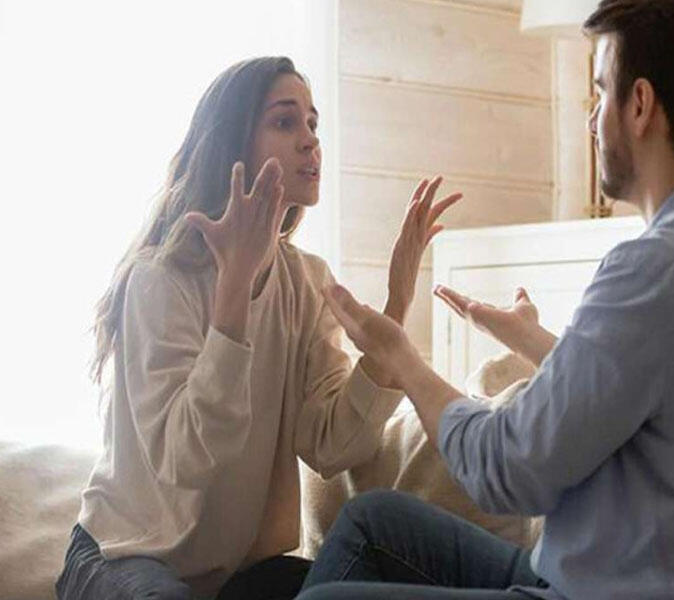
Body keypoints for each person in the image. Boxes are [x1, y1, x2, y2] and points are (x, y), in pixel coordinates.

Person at [297, 1, 674, 599]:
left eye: (600, 92)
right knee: (372, 522)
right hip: (662, 574)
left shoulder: (654, 270)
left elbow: (504, 470)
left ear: (639, 105)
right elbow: (669, 394)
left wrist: (402, 359)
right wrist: (538, 344)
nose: (592, 120)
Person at [54, 56, 462, 600]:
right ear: (233, 143)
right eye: (285, 122)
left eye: (313, 123)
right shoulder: (160, 277)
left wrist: (396, 305)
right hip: (124, 555)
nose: (310, 141)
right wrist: (234, 291)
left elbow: (331, 445)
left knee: (367, 574)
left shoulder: (307, 280)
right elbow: (185, 464)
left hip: (233, 577)